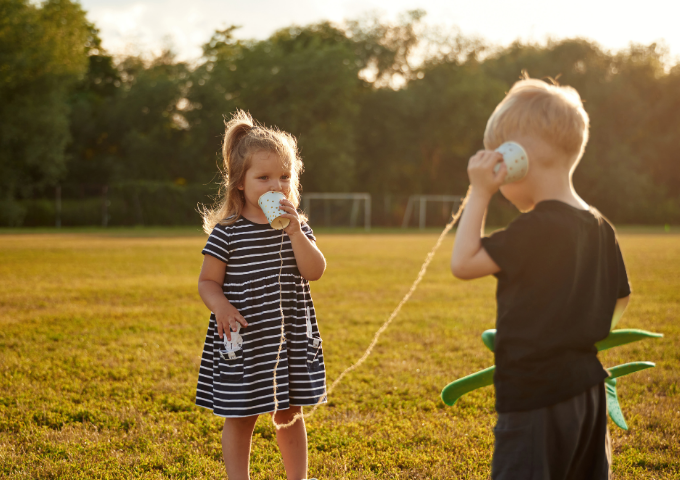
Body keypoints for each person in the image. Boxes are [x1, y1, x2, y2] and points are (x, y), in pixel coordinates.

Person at [450, 78, 631, 480]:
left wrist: (478, 191)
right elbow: (621, 299)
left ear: (516, 158)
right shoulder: (601, 225)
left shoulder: (535, 228)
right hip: (589, 391)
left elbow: (463, 262)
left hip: (535, 396)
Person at [196, 110, 326, 480]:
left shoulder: (298, 227)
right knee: (241, 415)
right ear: (240, 182)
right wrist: (220, 306)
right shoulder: (228, 232)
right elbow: (207, 282)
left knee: (289, 413)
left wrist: (296, 232)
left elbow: (314, 271)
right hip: (245, 336)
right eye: (264, 177)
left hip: (288, 339)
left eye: (285, 177)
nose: (277, 186)